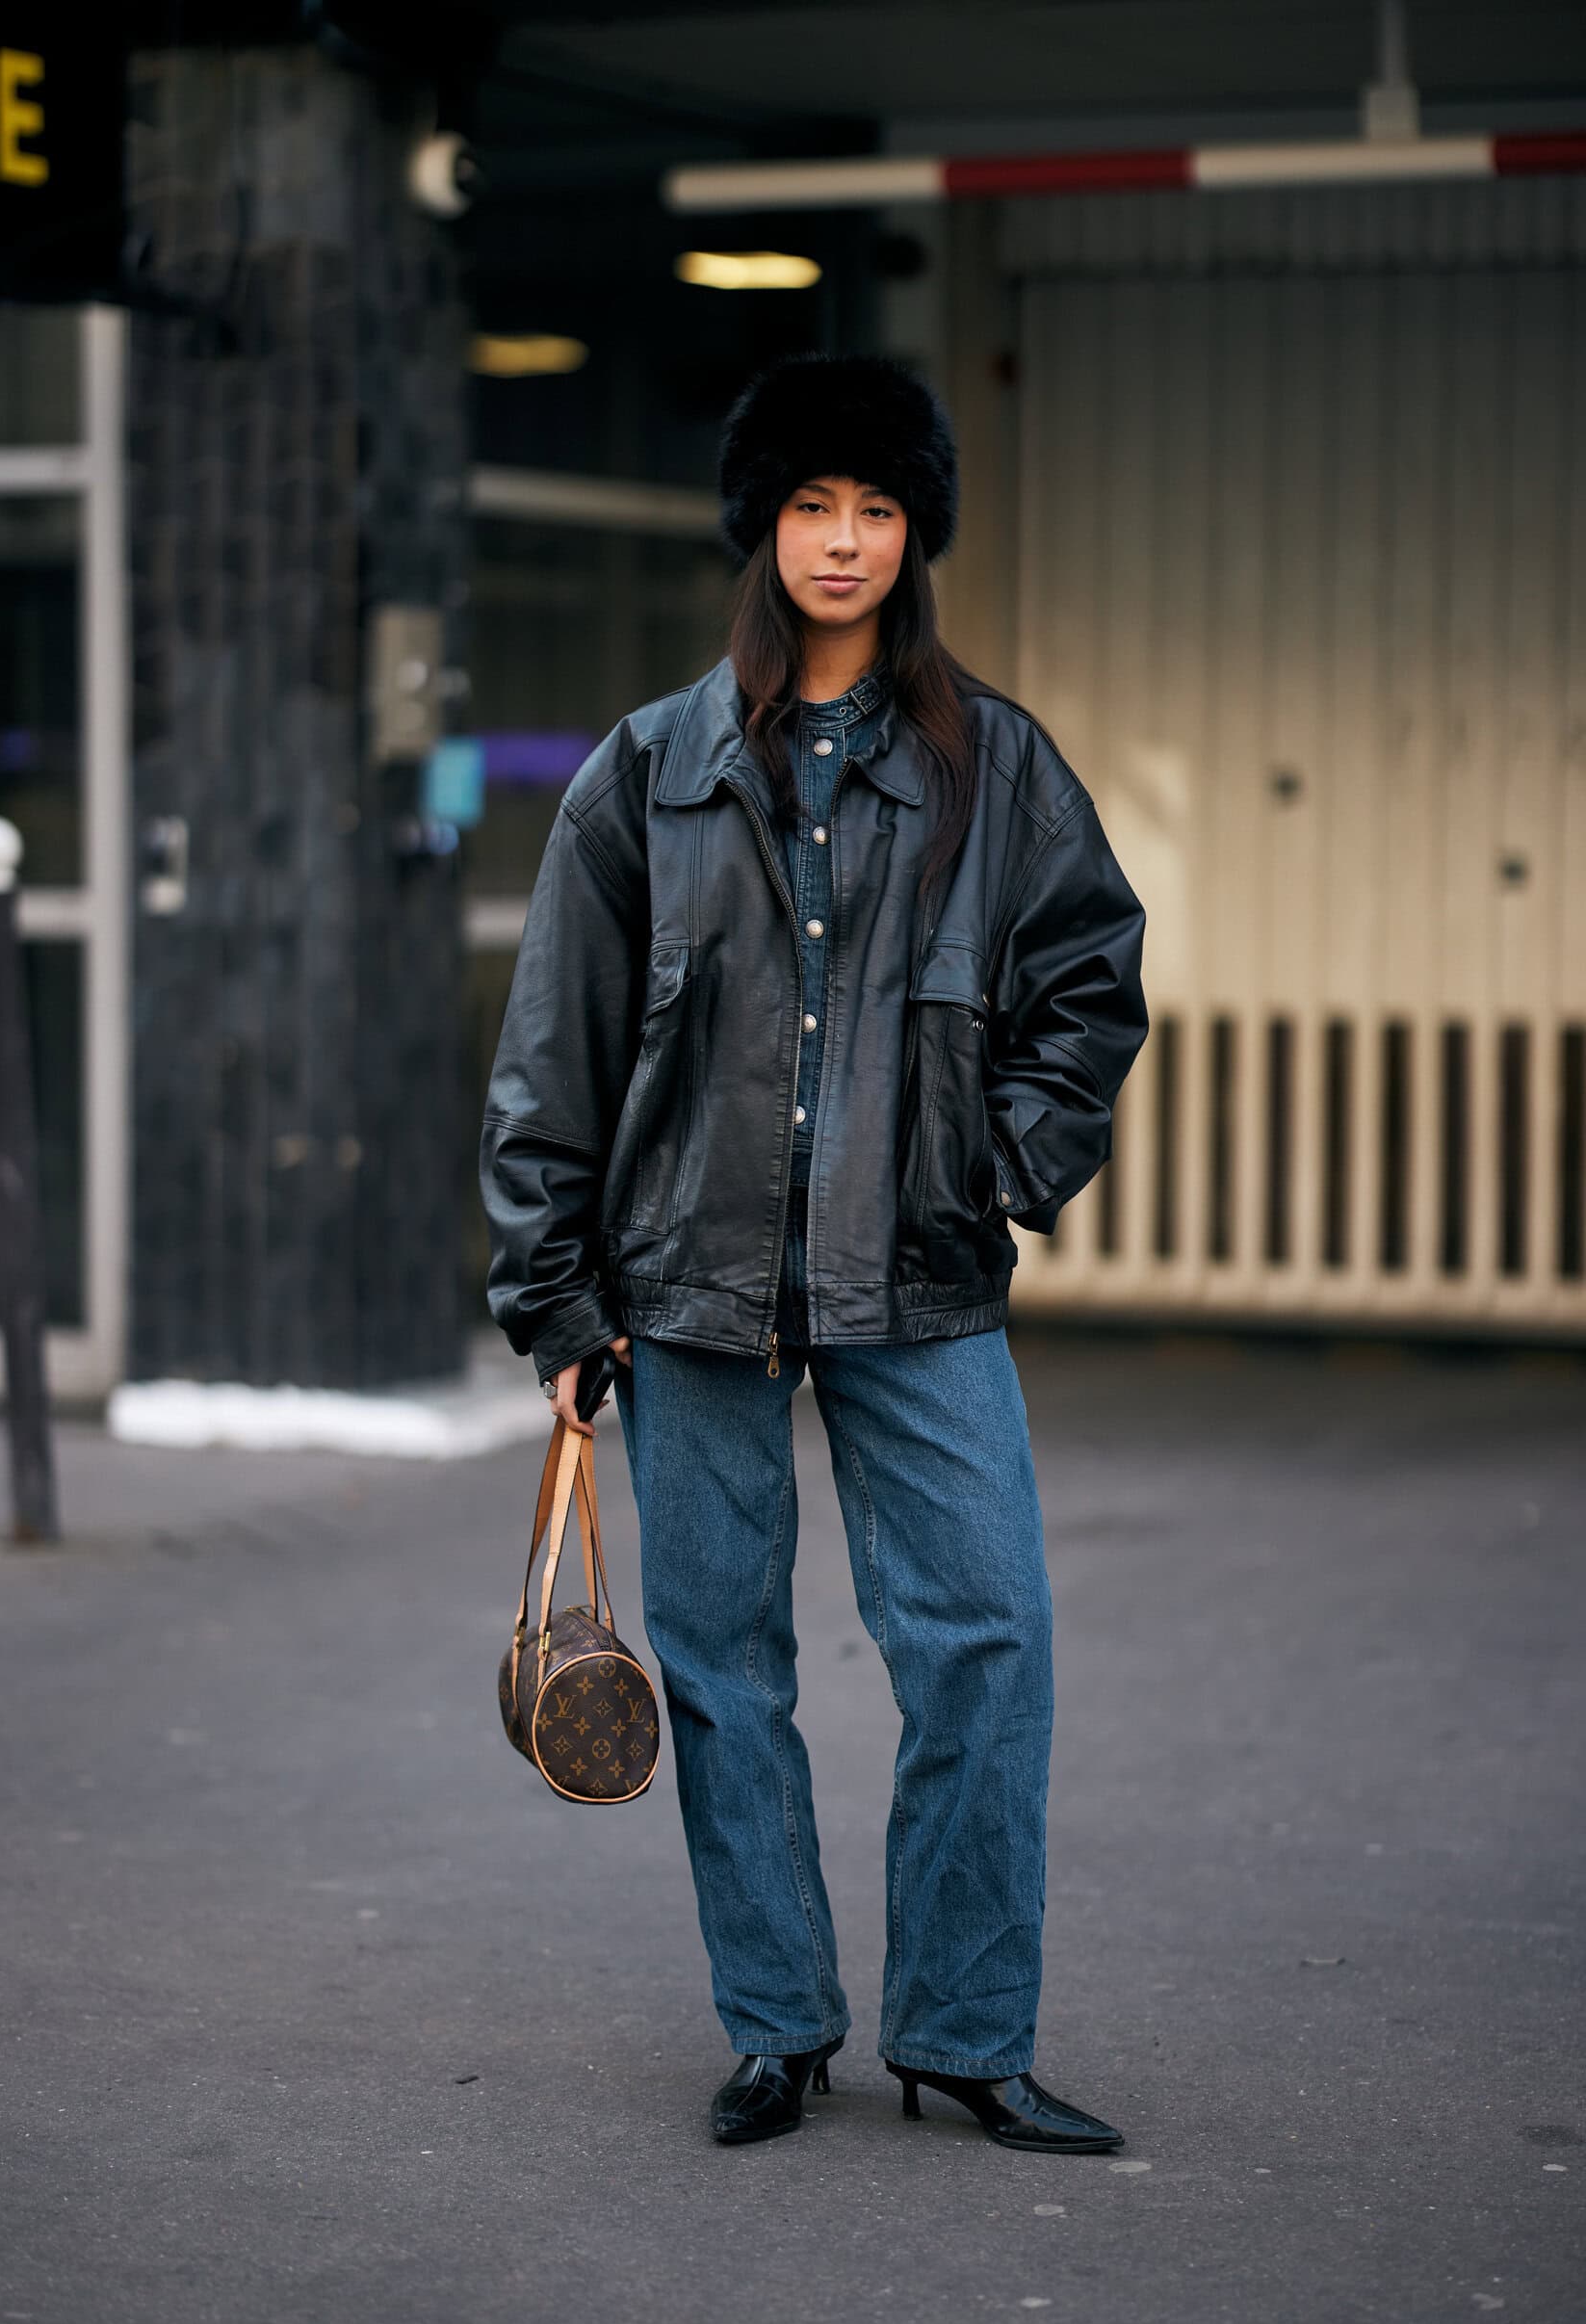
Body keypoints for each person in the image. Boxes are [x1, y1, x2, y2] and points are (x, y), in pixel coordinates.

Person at [481, 352, 1148, 2153]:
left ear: (914, 531)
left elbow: (1091, 979)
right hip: (687, 1286)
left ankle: (968, 2034)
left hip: (917, 1274)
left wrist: (1000, 1161)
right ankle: (778, 2025)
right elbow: (559, 1043)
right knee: (720, 1669)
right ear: (760, 531)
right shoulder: (648, 771)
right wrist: (555, 1288)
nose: (842, 541)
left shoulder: (993, 763)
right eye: (808, 507)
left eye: (873, 508)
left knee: (988, 1639)